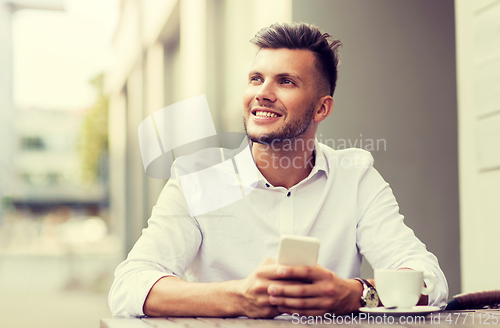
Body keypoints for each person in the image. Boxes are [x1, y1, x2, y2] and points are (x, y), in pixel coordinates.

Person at [109, 22, 448, 318]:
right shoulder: (195, 178)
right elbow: (130, 286)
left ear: (321, 108)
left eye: (285, 82)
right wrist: (239, 297)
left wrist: (354, 294)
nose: (262, 94)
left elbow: (430, 280)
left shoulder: (355, 175)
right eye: (256, 79)